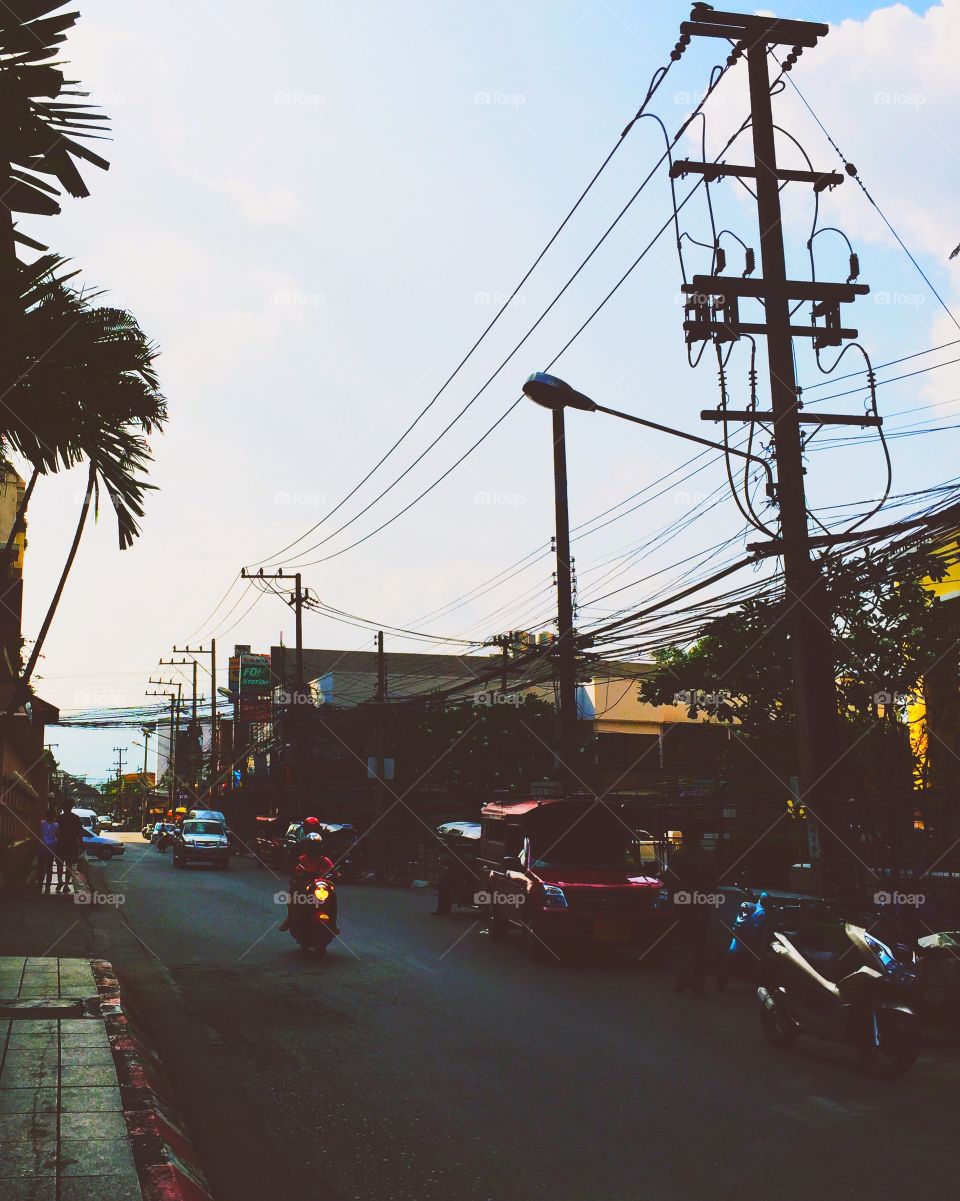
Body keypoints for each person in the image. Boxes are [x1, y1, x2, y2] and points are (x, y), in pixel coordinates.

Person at [668, 824, 719, 997]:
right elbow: (714, 882)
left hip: (682, 906)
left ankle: (684, 980)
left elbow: (671, 881)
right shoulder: (707, 857)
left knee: (680, 944)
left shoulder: (678, 855)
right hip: (701, 906)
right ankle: (699, 985)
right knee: (700, 946)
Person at [279, 832, 338, 933]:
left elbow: (334, 872)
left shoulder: (325, 860)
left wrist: (336, 875)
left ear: (320, 847)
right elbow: (295, 871)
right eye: (310, 846)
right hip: (304, 888)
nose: (313, 849)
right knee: (293, 894)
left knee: (333, 897)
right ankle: (289, 918)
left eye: (315, 846)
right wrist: (300, 875)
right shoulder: (302, 859)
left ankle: (333, 923)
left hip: (321, 888)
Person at [56, 804, 87, 893]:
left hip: (61, 843)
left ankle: (59, 881)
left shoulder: (59, 818)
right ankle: (66, 884)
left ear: (63, 808)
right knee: (69, 865)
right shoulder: (76, 818)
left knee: (59, 864)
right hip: (72, 844)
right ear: (71, 807)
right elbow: (80, 834)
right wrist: (81, 845)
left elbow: (56, 832)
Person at [37, 806, 60, 894]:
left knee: (40, 867)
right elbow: (58, 836)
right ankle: (48, 887)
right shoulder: (56, 825)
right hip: (51, 848)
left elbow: (38, 833)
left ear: (46, 815)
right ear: (54, 816)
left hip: (41, 847)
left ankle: (39, 885)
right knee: (49, 868)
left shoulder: (42, 823)